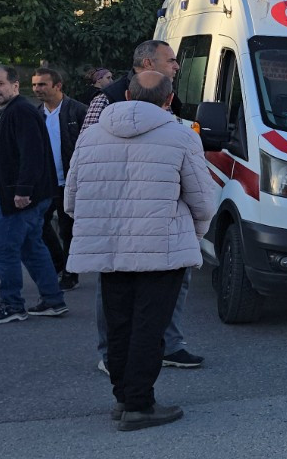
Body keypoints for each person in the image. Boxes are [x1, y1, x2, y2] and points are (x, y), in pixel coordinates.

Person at [66, 71, 218, 431]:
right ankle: (140, 404)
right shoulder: (182, 136)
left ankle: (122, 398)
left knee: (118, 324)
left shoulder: (91, 136)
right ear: (169, 100)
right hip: (162, 247)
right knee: (151, 327)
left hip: (109, 247)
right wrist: (193, 234)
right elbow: (202, 200)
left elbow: (72, 200)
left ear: (129, 93)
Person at [83, 40, 203, 371]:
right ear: (149, 62)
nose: (177, 66)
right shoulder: (104, 99)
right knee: (114, 293)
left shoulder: (170, 98)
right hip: (118, 216)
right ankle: (112, 355)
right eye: (172, 60)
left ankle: (168, 345)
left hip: (161, 215)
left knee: (172, 287)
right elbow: (88, 160)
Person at [0, 66, 66, 324]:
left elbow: (33, 154)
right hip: (18, 195)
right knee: (32, 247)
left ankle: (12, 305)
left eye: (0, 84)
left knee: (1, 250)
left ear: (15, 86)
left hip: (17, 198)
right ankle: (53, 299)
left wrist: (23, 191)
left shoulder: (21, 111)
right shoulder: (11, 111)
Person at [31, 68, 88, 290]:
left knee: (68, 229)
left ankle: (70, 273)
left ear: (58, 86)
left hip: (71, 181)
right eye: (34, 85)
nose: (37, 89)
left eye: (42, 84)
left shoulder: (77, 111)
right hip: (45, 182)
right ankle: (59, 264)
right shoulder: (36, 114)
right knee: (39, 224)